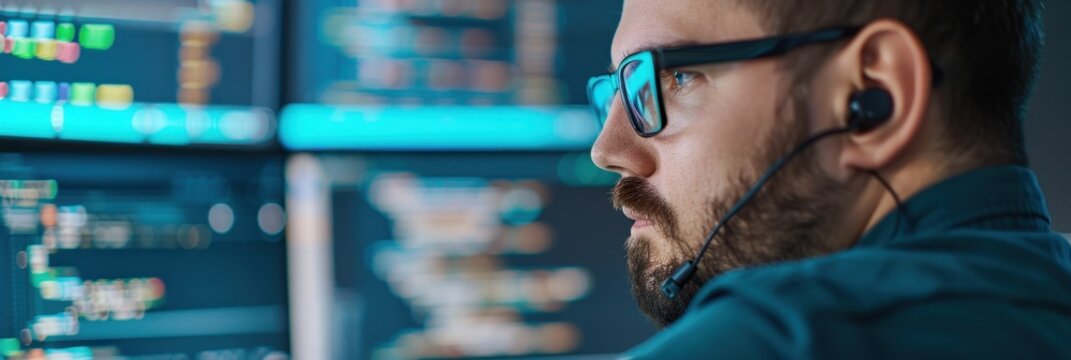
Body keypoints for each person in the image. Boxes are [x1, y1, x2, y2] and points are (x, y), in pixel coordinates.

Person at [587, 0, 1071, 358]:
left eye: (674, 78)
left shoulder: (777, 338)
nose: (607, 152)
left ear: (872, 96)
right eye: (618, 91)